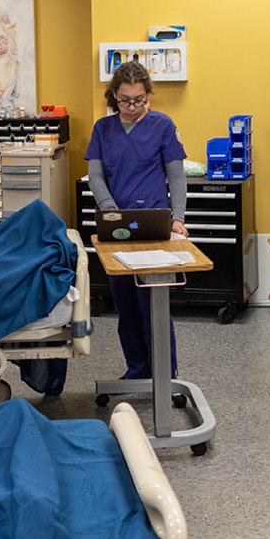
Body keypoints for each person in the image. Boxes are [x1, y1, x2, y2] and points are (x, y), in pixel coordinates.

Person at [87, 61, 188, 380]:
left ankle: (164, 375)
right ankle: (138, 370)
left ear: (149, 96)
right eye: (125, 100)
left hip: (155, 227)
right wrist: (109, 209)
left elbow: (176, 174)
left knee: (153, 307)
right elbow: (95, 174)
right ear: (113, 96)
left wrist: (179, 218)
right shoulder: (103, 129)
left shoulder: (162, 125)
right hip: (115, 228)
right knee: (126, 308)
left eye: (139, 100)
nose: (132, 107)